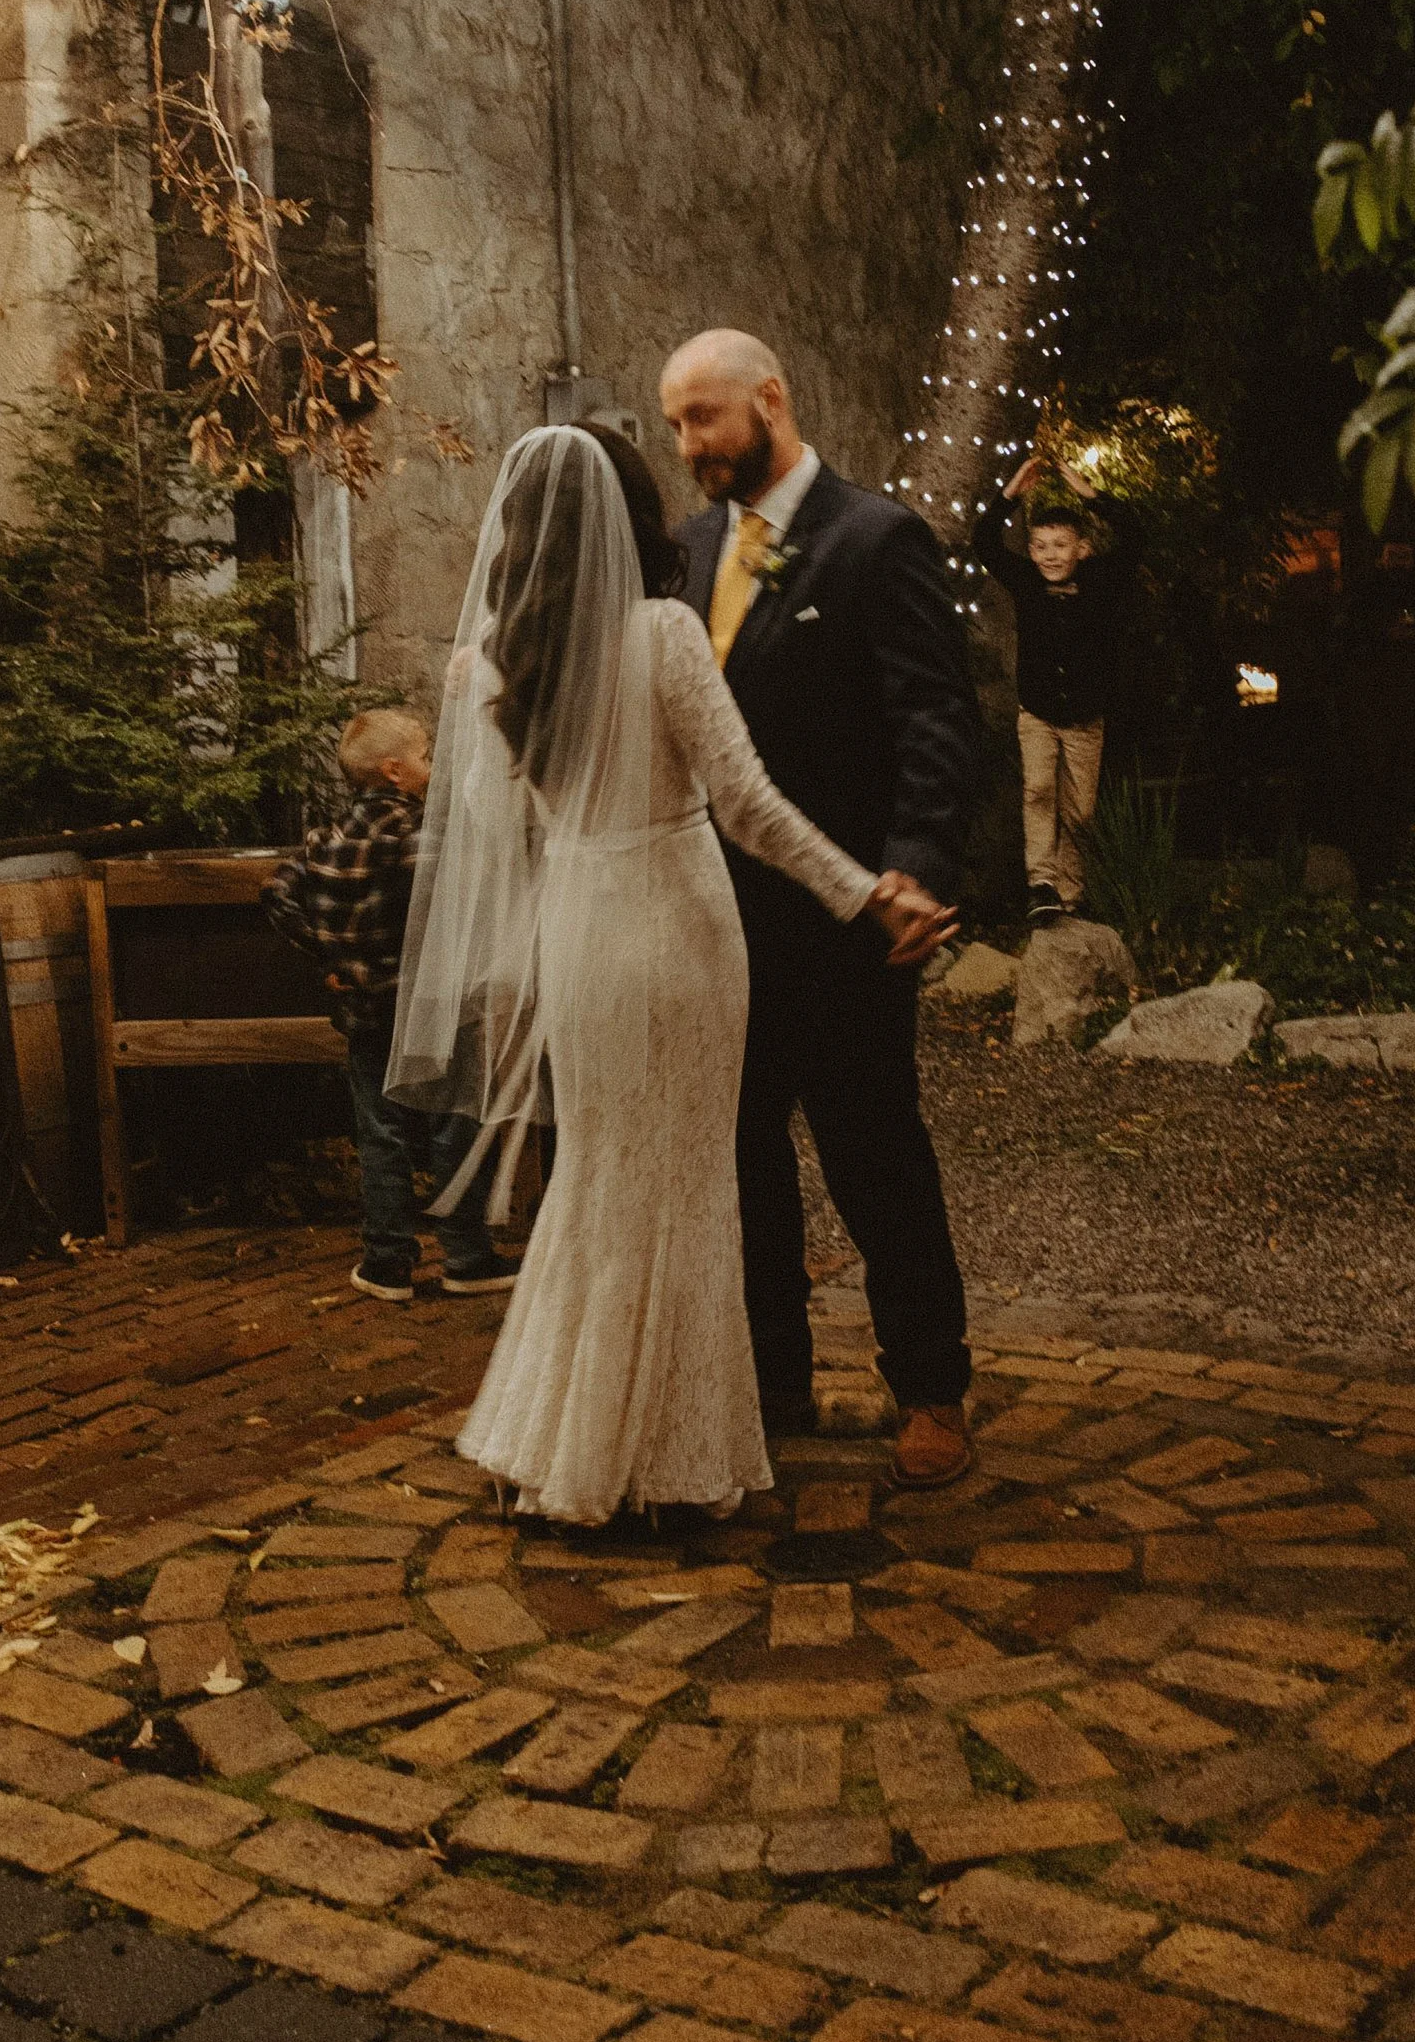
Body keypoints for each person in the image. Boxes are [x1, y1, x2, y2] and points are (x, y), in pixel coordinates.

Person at [386, 422, 947, 1528]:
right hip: (678, 930)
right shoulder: (662, 632)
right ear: (630, 515)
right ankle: (667, 1459)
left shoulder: (492, 662)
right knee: (686, 1184)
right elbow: (745, 805)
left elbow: (503, 829)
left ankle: (557, 1438)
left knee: (596, 1178)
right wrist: (859, 890)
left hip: (580, 934)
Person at [659, 331, 980, 1493]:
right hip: (715, 923)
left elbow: (935, 720)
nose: (688, 446)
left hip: (847, 920)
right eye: (677, 425)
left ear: (769, 400)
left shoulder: (874, 538)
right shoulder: (686, 553)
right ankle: (774, 1379)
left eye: (703, 419)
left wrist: (917, 870)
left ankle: (932, 1388)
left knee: (874, 1154)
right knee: (741, 1159)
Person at [267, 706, 514, 1308]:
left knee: (381, 1134)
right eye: (426, 755)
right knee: (454, 1124)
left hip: (365, 1015)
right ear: (396, 771)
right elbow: (447, 915)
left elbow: (276, 891)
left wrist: (328, 961)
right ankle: (465, 1256)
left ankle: (386, 1264)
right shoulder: (422, 836)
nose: (433, 764)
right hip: (430, 1015)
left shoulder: (324, 839)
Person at [978, 453, 1131, 922]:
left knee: (1080, 811)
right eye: (1040, 546)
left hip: (1086, 718)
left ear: (1081, 549)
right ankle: (1041, 884)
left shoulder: (1099, 580)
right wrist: (1011, 494)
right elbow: (984, 543)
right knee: (1039, 792)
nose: (1049, 555)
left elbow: (1136, 539)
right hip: (1038, 712)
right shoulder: (1025, 580)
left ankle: (1071, 892)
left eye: (1059, 546)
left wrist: (1092, 495)